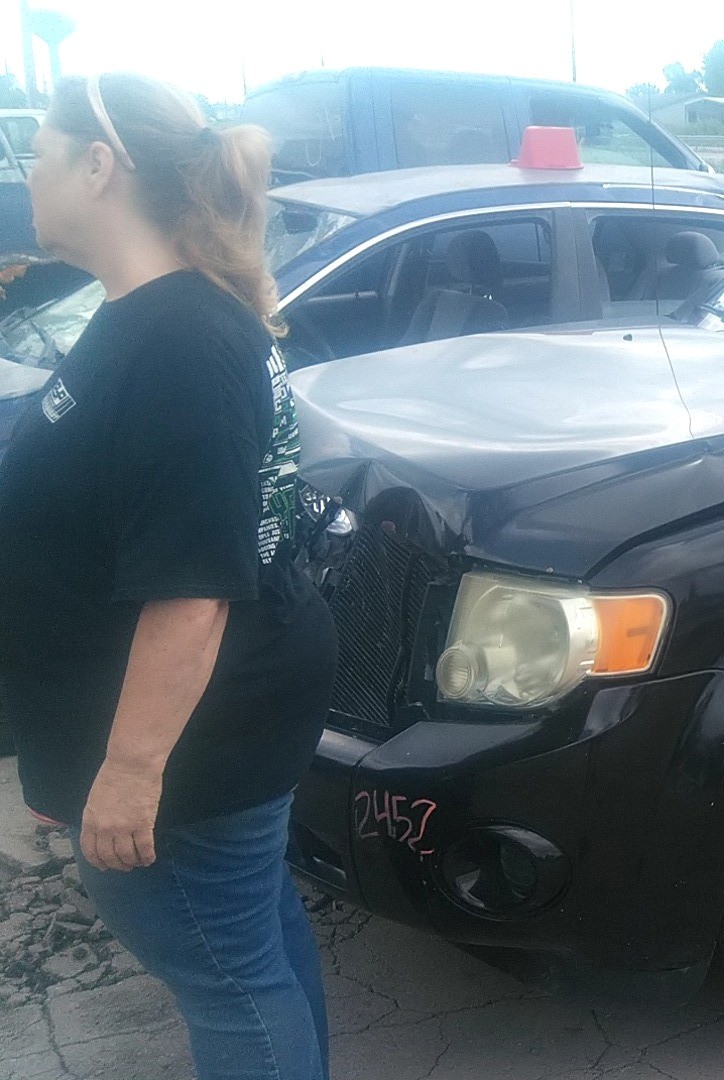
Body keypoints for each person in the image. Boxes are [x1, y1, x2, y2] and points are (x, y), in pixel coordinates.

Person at [0, 72, 336, 1080]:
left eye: (38, 156)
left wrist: (130, 772)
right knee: (250, 941)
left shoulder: (179, 339)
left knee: (228, 975)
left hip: (189, 739)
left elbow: (192, 591)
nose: (26, 177)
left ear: (99, 167)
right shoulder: (149, 313)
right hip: (219, 711)